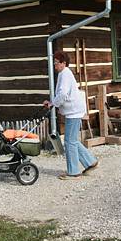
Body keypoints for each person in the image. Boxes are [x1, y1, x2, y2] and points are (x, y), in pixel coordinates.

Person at [43, 50, 98, 180]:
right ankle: (90, 161)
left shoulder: (65, 74)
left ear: (63, 63)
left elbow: (62, 94)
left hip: (74, 111)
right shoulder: (63, 73)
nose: (55, 66)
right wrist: (53, 103)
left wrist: (52, 104)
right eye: (54, 63)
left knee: (69, 142)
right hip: (73, 111)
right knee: (71, 140)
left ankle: (73, 172)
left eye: (56, 63)